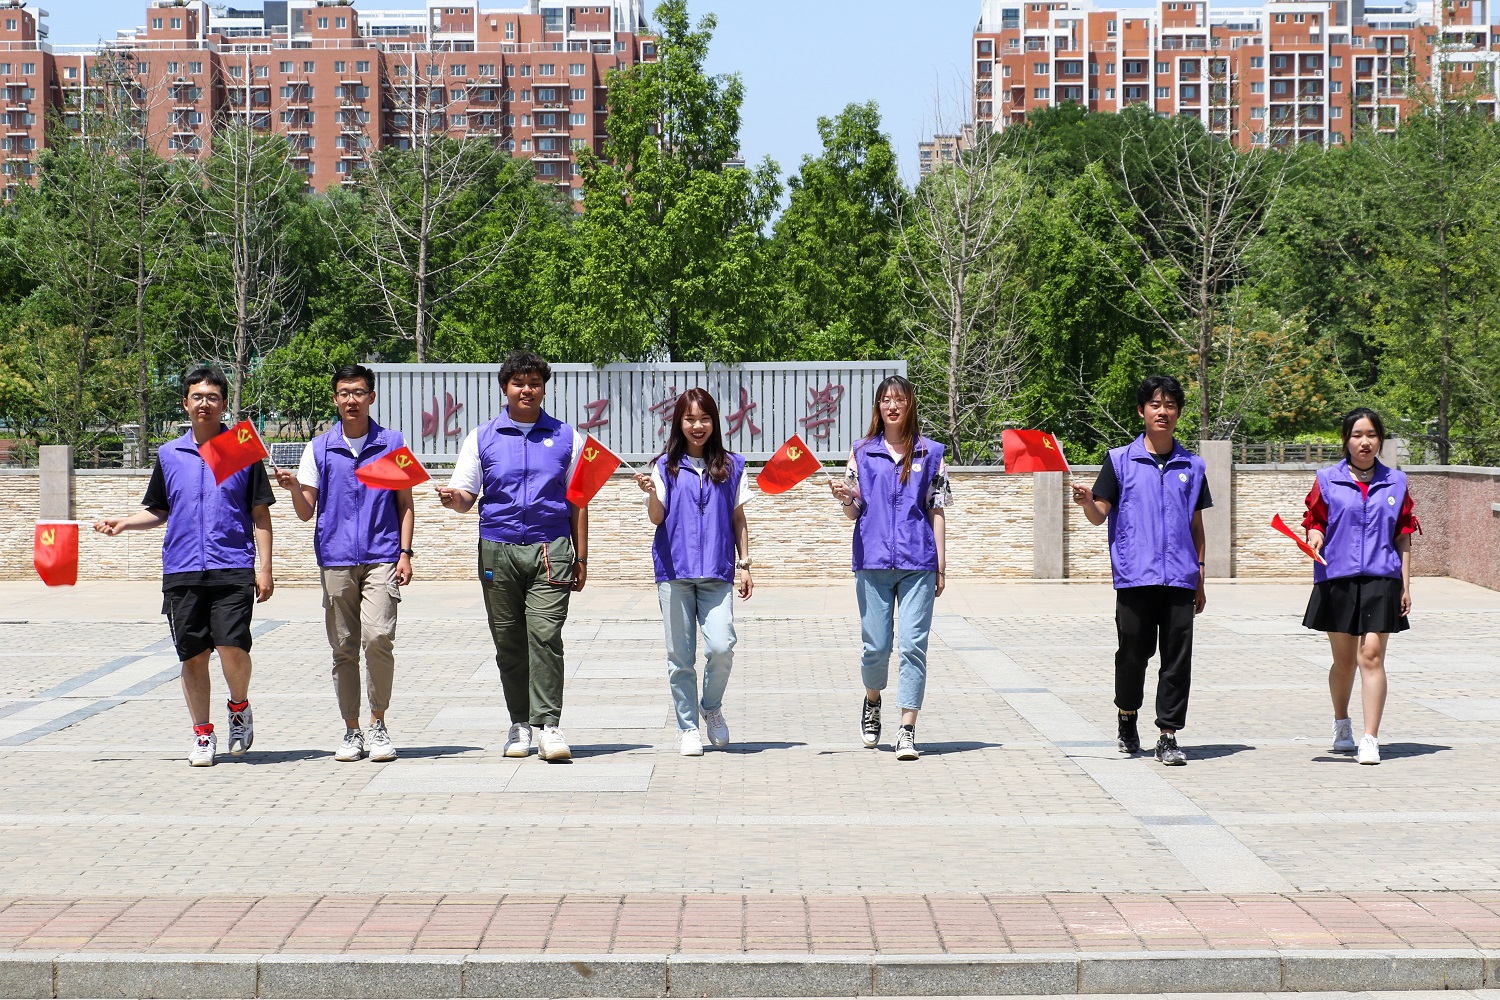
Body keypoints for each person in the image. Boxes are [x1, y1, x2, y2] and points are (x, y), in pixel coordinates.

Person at [94, 367, 274, 767]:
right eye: (197, 396)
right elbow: (159, 510)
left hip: (232, 564)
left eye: (212, 397)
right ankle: (203, 734)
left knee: (231, 647)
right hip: (183, 568)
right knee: (193, 655)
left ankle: (239, 707)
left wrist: (265, 568)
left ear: (223, 404)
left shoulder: (241, 449)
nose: (204, 403)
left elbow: (260, 513)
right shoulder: (169, 454)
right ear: (185, 403)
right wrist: (124, 523)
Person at [436, 350, 587, 763]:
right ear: (505, 388)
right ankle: (520, 723)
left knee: (545, 636)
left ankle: (549, 726)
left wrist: (581, 557)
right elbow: (466, 496)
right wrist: (453, 499)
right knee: (508, 641)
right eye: (518, 383)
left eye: (534, 383)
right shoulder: (482, 437)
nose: (527, 390)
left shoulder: (566, 437)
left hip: (551, 549)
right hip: (497, 550)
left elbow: (578, 500)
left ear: (544, 389)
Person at [272, 364, 414, 763]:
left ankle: (378, 723)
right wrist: (293, 489)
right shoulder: (319, 448)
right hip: (335, 559)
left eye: (359, 392)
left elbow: (405, 504)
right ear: (335, 399)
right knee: (344, 648)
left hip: (382, 555)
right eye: (344, 393)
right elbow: (306, 512)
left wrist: (405, 552)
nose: (352, 400)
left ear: (371, 397)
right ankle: (352, 731)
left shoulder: (393, 443)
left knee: (378, 638)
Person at [1071, 374, 1210, 767]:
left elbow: (1196, 526)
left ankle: (1168, 735)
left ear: (1178, 413)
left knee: (1177, 659)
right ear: (1141, 411)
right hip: (1136, 576)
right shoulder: (1119, 461)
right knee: (1133, 654)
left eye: (1170, 405)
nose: (1162, 411)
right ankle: (1127, 714)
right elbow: (1099, 515)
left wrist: (1200, 575)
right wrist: (1087, 501)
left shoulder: (1193, 465)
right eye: (1155, 404)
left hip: (1181, 577)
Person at [829, 375, 950, 762]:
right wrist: (846, 498)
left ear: (910, 404)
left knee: (913, 646)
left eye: (899, 399)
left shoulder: (932, 453)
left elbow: (937, 509)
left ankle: (907, 729)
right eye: (885, 400)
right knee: (876, 648)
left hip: (918, 563)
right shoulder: (861, 452)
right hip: (873, 562)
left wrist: (940, 565)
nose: (892, 406)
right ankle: (872, 699)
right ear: (878, 407)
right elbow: (854, 511)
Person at [634, 389, 753, 757]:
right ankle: (688, 728)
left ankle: (710, 706)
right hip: (675, 571)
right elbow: (657, 518)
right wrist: (653, 493)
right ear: (679, 423)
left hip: (717, 571)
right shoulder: (664, 466)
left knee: (722, 646)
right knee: (680, 657)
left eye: (704, 418)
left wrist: (745, 564)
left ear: (714, 422)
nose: (697, 426)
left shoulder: (732, 466)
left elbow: (738, 518)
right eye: (690, 419)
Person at [1301, 407, 1417, 766]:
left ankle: (1370, 738)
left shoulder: (1397, 482)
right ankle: (1342, 724)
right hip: (1338, 577)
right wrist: (1315, 536)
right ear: (1345, 440)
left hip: (1383, 578)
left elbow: (1403, 535)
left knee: (1371, 656)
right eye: (1357, 435)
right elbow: (1316, 521)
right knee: (1344, 661)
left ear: (1380, 439)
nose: (1364, 442)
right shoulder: (1327, 480)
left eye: (1371, 435)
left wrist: (1405, 585)